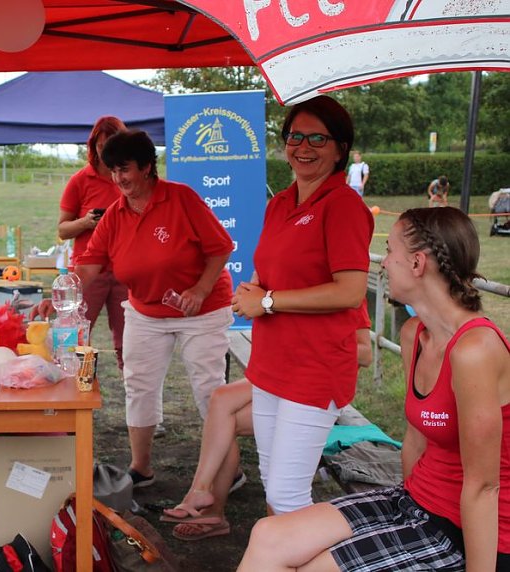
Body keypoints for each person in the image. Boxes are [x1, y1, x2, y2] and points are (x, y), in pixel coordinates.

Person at [238, 207, 510, 571]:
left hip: (465, 531)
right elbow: (415, 442)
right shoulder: (415, 334)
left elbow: (484, 488)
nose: (382, 264)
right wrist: (403, 515)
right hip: (417, 502)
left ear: (417, 263)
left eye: (391, 251)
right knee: (267, 535)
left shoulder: (475, 350)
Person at [231, 95, 374, 516]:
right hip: (273, 363)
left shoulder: (344, 205)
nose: (304, 147)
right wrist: (255, 289)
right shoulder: (279, 203)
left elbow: (349, 292)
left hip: (316, 368)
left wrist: (270, 301)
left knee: (287, 495)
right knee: (272, 485)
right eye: (296, 136)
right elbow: (278, 268)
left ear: (340, 149)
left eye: (318, 138)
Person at [76, 129, 236, 487]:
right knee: (139, 385)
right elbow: (88, 265)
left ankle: (229, 471)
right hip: (145, 311)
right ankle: (141, 468)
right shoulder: (115, 214)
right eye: (113, 170)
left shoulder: (182, 199)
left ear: (148, 167)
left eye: (125, 169)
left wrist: (199, 289)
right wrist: (58, 293)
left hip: (203, 311)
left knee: (208, 388)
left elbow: (221, 247)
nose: (119, 178)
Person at [162, 309, 374, 542]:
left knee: (280, 488)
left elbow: (365, 354)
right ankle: (205, 499)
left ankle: (218, 511)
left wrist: (312, 343)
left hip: (314, 388)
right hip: (280, 377)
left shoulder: (340, 291)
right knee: (221, 401)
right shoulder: (285, 288)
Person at [58, 116, 129, 369]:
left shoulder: (128, 178)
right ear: (93, 146)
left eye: (113, 145)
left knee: (129, 343)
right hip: (89, 271)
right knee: (77, 337)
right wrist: (86, 222)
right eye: (101, 147)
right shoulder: (80, 180)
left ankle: (132, 389)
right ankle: (77, 391)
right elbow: (62, 230)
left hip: (126, 271)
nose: (107, 152)